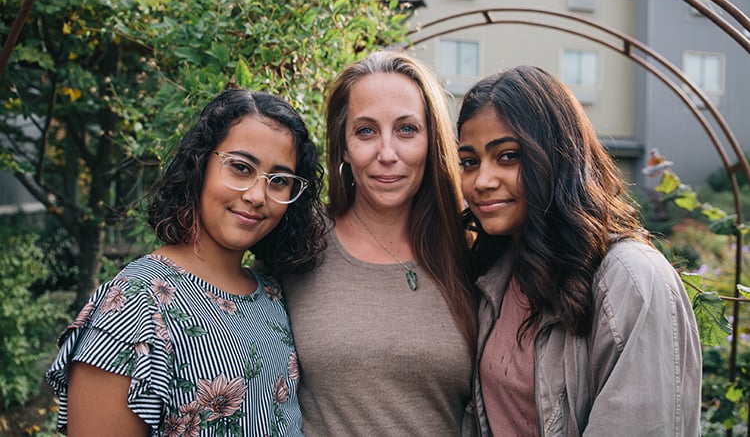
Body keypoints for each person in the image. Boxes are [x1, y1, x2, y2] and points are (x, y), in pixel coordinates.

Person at [45, 89, 326, 436]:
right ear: (200, 164)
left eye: (279, 181)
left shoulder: (271, 294)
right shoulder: (132, 304)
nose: (256, 195)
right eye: (240, 168)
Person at [456, 65, 702, 436]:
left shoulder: (631, 281)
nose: (481, 181)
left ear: (556, 156)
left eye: (507, 156)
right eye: (469, 162)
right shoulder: (496, 272)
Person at [279, 49, 477, 436]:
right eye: (366, 131)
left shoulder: (470, 250)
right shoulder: (298, 241)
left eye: (407, 130)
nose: (387, 154)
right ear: (345, 147)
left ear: (432, 141)